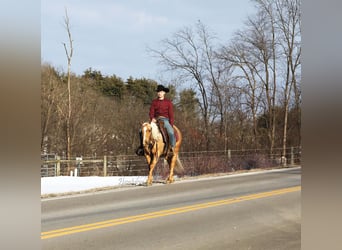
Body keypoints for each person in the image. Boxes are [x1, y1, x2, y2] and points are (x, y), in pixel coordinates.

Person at [149, 84, 176, 153]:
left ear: (164, 93)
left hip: (165, 120)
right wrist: (152, 118)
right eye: (158, 92)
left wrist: (171, 124)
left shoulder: (168, 102)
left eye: (161, 92)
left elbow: (171, 114)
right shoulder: (154, 102)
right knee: (142, 130)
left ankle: (172, 147)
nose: (159, 93)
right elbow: (151, 112)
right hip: (155, 120)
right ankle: (143, 147)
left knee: (171, 132)